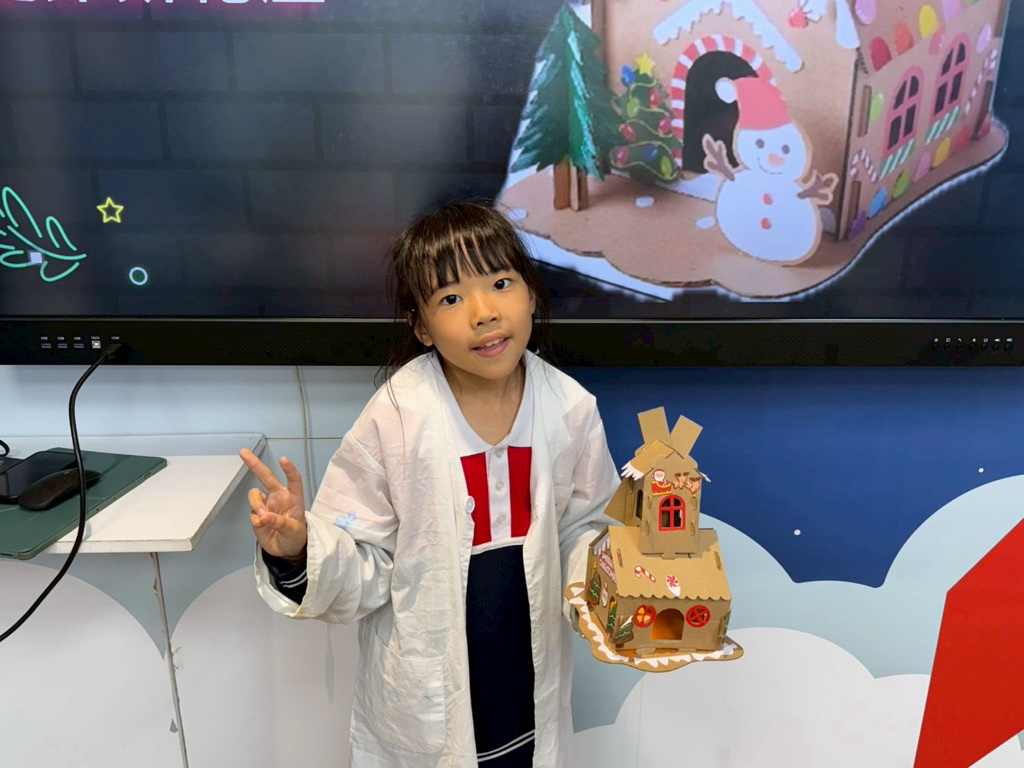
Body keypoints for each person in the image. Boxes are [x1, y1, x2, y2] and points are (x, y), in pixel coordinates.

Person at [240, 201, 620, 768]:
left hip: (526, 685)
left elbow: (583, 528)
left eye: (501, 283)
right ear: (420, 327)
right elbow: (366, 562)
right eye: (450, 299)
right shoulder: (397, 415)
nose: (484, 313)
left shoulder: (570, 407)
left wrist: (608, 584)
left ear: (532, 295)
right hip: (429, 702)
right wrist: (298, 550)